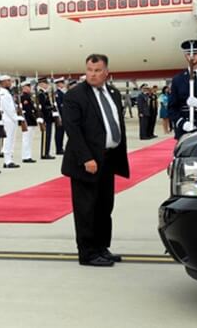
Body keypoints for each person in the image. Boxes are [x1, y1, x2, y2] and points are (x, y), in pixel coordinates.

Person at [61, 54, 129, 267]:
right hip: (87, 163)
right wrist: (87, 158)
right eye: (90, 70)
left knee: (104, 207)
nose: (92, 74)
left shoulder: (113, 93)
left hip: (108, 159)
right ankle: (88, 253)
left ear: (106, 72)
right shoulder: (75, 95)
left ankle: (101, 247)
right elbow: (73, 130)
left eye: (97, 70)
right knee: (86, 209)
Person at [0, 75, 22, 168]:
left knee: (11, 139)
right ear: (3, 82)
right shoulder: (3, 93)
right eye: (8, 81)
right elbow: (7, 108)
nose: (10, 82)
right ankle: (7, 161)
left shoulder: (7, 92)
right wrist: (15, 117)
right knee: (8, 140)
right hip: (8, 119)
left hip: (11, 119)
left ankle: (9, 159)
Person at [36, 77, 55, 159]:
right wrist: (51, 107)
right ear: (41, 84)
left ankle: (47, 152)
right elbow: (42, 107)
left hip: (49, 117)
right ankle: (44, 153)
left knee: (49, 135)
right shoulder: (41, 94)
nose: (47, 85)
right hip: (45, 117)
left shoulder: (45, 93)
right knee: (46, 136)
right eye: (45, 84)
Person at [19, 81, 37, 163]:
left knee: (29, 139)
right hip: (28, 120)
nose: (29, 88)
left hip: (31, 120)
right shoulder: (24, 97)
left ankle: (28, 155)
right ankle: (25, 156)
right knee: (26, 139)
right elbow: (27, 110)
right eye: (28, 87)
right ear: (24, 88)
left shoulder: (29, 96)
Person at [54, 77, 66, 154]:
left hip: (63, 116)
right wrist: (60, 117)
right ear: (58, 84)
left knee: (61, 133)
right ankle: (58, 149)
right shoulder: (57, 94)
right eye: (61, 83)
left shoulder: (62, 93)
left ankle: (60, 148)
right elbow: (59, 106)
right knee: (59, 133)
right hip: (60, 116)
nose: (63, 84)